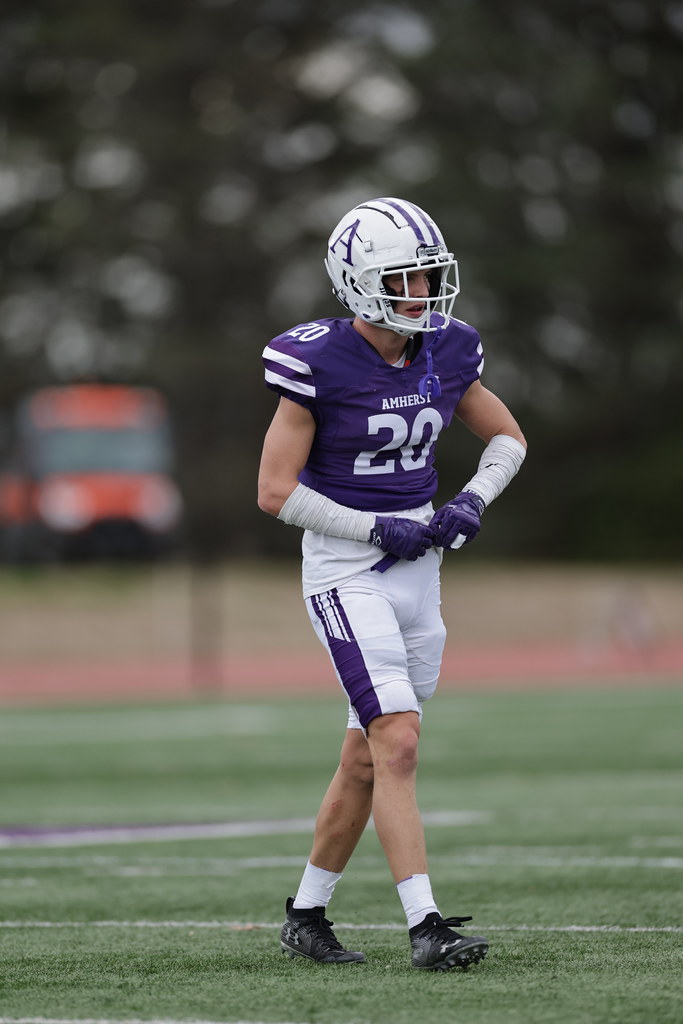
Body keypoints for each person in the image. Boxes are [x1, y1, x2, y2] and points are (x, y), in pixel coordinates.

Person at [257, 197, 526, 971]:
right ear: (358, 282)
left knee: (367, 759)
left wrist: (471, 499)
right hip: (347, 572)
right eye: (406, 278)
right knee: (398, 741)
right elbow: (275, 492)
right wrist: (377, 528)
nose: (423, 292)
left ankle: (306, 915)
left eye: (428, 275)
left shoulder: (446, 348)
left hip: (419, 571)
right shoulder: (316, 361)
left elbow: (506, 436)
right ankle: (426, 925)